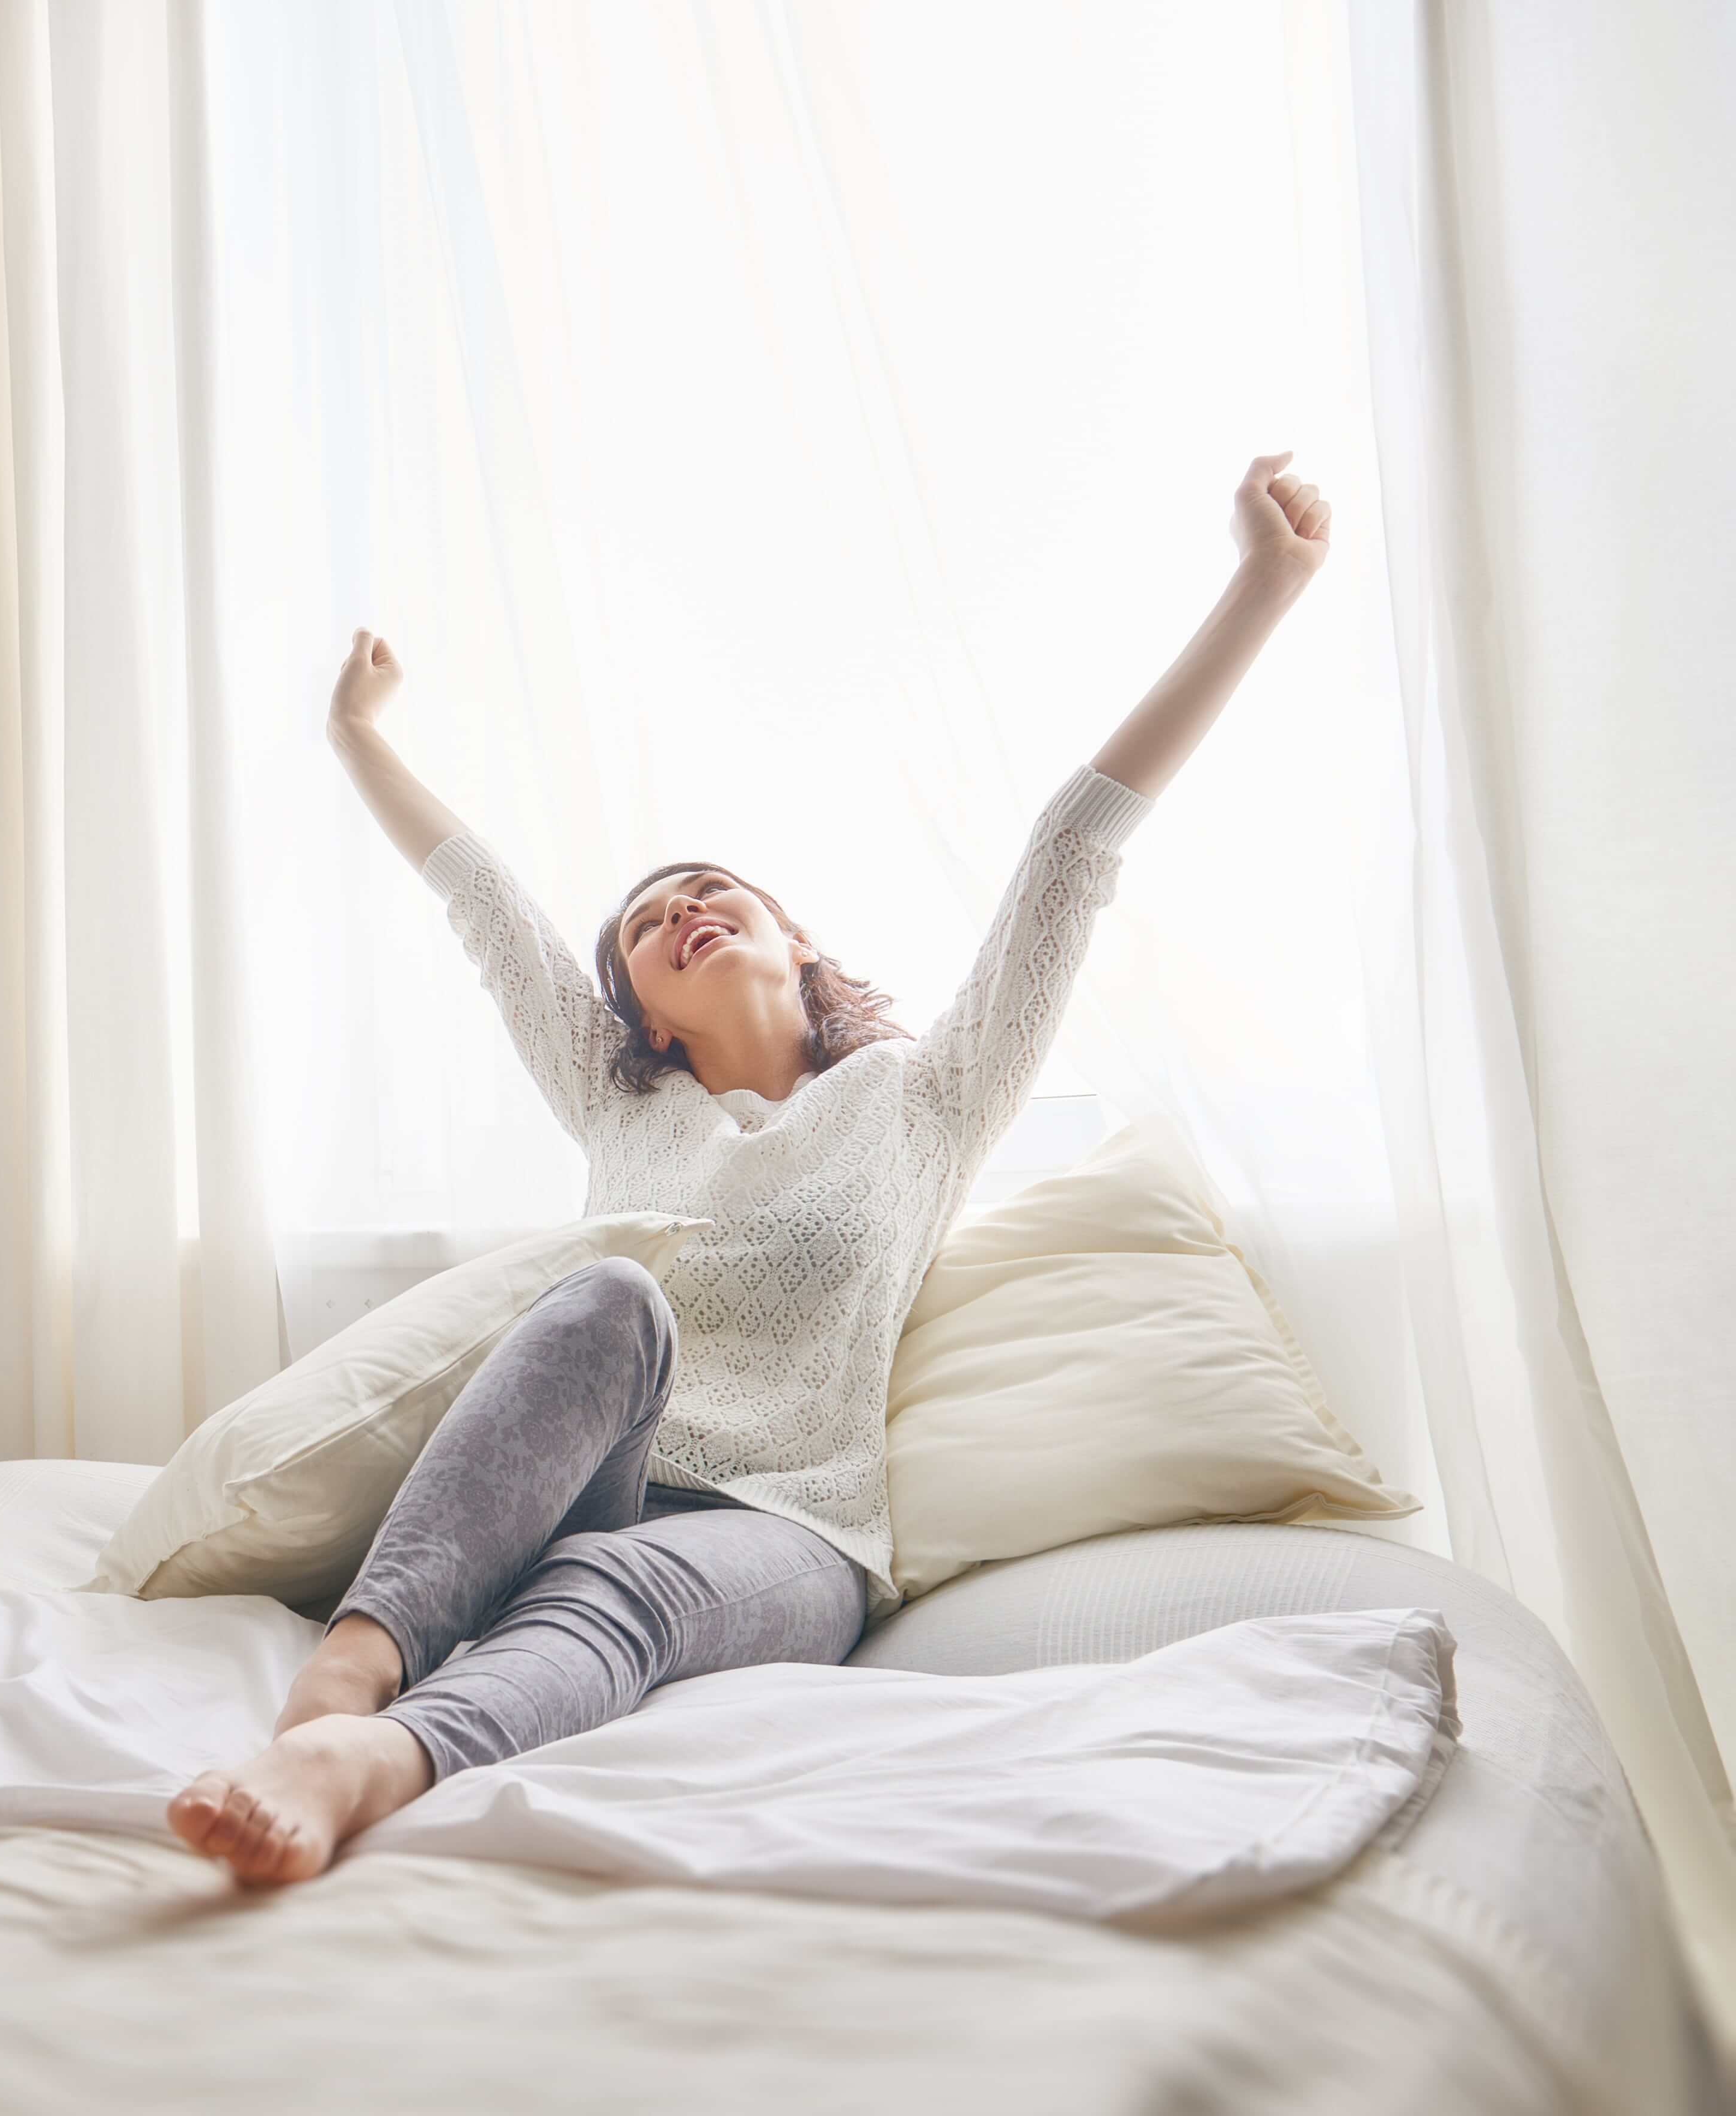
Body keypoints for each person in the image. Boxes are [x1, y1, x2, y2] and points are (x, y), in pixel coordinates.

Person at [168, 453, 1336, 1885]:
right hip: (581, 1486)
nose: (687, 905)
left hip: (787, 1535)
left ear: (794, 938)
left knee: (615, 1585)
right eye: (652, 918)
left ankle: (367, 1759)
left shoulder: (923, 1098)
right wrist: (357, 736)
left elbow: (1070, 852)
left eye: (719, 890)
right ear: (643, 1012)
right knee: (608, 1302)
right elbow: (486, 906)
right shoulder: (621, 1104)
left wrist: (1261, 587)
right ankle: (338, 1684)